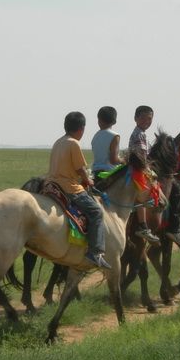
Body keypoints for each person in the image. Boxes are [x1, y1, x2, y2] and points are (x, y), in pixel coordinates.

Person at [48, 111, 110, 270]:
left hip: (53, 185)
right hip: (70, 187)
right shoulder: (74, 143)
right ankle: (95, 252)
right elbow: (81, 169)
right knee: (97, 212)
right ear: (81, 129)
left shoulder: (58, 142)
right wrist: (88, 180)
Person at [128, 106, 161, 244]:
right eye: (143, 118)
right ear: (135, 118)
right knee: (143, 196)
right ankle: (142, 225)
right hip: (138, 170)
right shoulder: (139, 134)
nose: (147, 121)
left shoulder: (142, 134)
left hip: (141, 168)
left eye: (149, 118)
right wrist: (150, 172)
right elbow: (142, 157)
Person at [91, 106, 122, 177]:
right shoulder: (115, 136)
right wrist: (124, 160)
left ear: (98, 120)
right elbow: (113, 160)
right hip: (108, 173)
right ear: (114, 122)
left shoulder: (95, 136)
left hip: (95, 172)